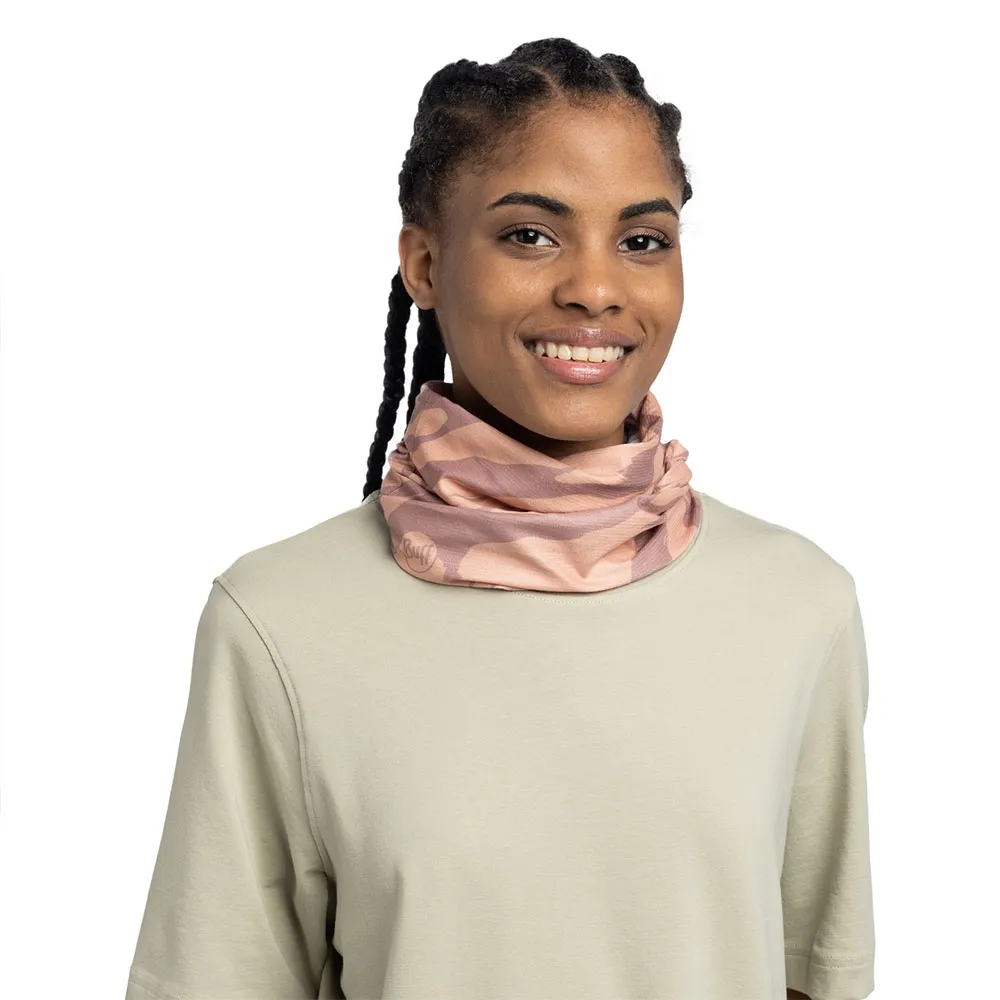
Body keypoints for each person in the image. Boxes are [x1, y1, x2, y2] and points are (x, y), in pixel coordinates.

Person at [124, 37, 875, 1000]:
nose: (595, 288)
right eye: (531, 235)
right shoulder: (278, 621)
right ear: (425, 263)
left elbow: (812, 978)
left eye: (642, 241)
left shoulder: (798, 606)